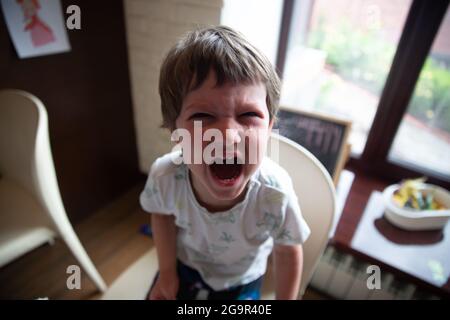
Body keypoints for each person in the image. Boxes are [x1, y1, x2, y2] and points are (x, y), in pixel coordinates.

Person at [140, 26, 310, 300]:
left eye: (248, 114)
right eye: (203, 115)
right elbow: (161, 215)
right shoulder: (166, 176)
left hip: (242, 281)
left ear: (269, 128)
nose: (228, 137)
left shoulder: (275, 193)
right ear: (175, 131)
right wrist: (167, 274)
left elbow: (288, 249)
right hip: (186, 268)